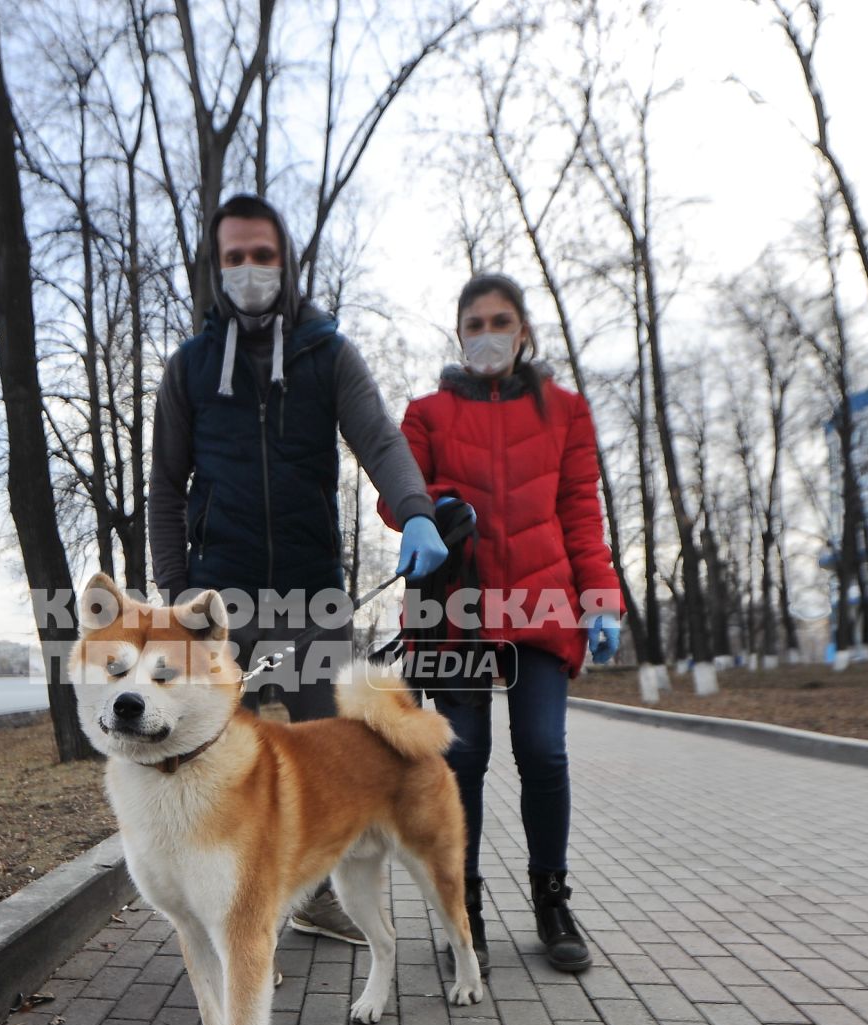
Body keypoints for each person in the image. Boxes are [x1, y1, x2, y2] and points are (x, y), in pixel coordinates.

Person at [150, 192, 449, 946]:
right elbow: (164, 487)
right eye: (234, 258)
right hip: (220, 593)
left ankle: (313, 893)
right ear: (216, 269)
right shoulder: (188, 370)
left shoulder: (327, 353)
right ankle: (215, 888)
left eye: (263, 255)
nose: (250, 270)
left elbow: (378, 436)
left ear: (285, 262)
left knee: (328, 753)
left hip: (313, 589)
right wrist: (178, 592)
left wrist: (415, 508)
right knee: (208, 750)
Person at [382, 274, 623, 973]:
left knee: (544, 751)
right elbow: (397, 494)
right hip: (456, 605)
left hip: (544, 605)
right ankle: (466, 908)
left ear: (524, 331)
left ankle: (552, 898)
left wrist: (600, 593)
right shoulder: (425, 412)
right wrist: (431, 508)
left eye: (501, 321)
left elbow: (581, 509)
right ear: (459, 335)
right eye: (474, 324)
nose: (488, 335)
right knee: (462, 759)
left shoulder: (568, 412)